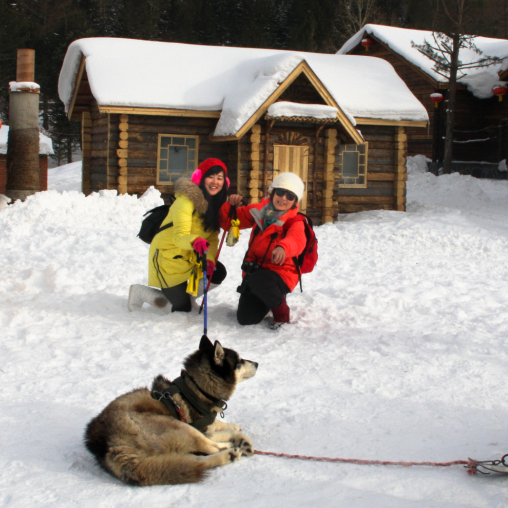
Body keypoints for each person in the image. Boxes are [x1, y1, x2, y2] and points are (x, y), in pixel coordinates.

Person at [128, 158, 229, 313]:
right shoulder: (185, 202)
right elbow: (179, 237)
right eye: (211, 176)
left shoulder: (215, 205)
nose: (215, 182)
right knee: (180, 309)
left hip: (190, 258)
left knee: (217, 271)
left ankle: (185, 297)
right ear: (200, 178)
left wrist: (209, 260)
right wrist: (195, 241)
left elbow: (212, 238)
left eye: (219, 178)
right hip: (168, 259)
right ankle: (140, 293)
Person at [221, 172, 307, 328]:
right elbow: (228, 222)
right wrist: (230, 205)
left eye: (290, 196)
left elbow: (297, 240)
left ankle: (281, 312)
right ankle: (268, 298)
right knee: (246, 319)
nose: (283, 198)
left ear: (295, 201)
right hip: (256, 273)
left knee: (261, 279)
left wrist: (283, 247)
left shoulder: (295, 221)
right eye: (280, 192)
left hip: (282, 273)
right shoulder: (258, 211)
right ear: (272, 192)